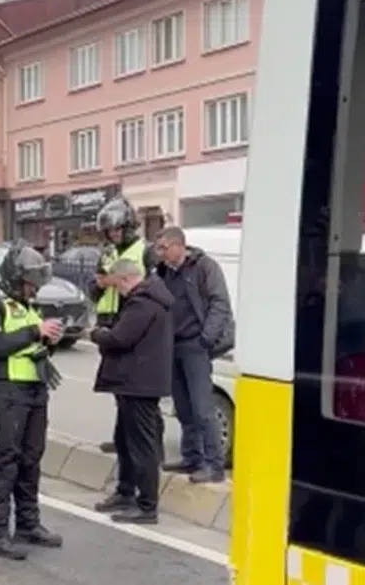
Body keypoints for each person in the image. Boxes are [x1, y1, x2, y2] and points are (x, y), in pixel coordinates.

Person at [0, 242, 66, 560]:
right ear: (14, 278)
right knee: (5, 461)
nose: (33, 290)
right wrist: (34, 331)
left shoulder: (28, 306)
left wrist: (48, 341)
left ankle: (28, 524)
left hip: (35, 391)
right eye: (29, 284)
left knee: (31, 460)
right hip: (7, 392)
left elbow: (31, 344)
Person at [89, 258, 173, 523]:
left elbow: (120, 338)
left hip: (139, 383)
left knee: (141, 446)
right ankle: (125, 492)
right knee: (124, 440)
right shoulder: (150, 299)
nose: (117, 291)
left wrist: (98, 334)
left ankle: (147, 506)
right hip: (133, 382)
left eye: (117, 285)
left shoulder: (143, 303)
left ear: (125, 279)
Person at [153, 227, 234, 483]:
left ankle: (214, 465)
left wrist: (206, 339)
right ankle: (192, 458)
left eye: (164, 248)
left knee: (202, 408)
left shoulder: (204, 267)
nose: (161, 254)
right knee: (184, 407)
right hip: (173, 346)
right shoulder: (165, 272)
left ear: (179, 246)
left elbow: (220, 303)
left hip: (195, 345)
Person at [90, 195, 156, 454]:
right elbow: (94, 288)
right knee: (120, 389)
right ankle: (122, 440)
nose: (113, 235)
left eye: (116, 229)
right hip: (109, 321)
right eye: (109, 231)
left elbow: (155, 286)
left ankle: (150, 445)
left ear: (128, 227)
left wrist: (125, 283)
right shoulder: (106, 253)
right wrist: (100, 284)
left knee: (138, 391)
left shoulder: (145, 251)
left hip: (133, 320)